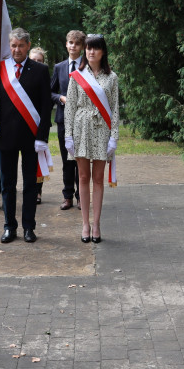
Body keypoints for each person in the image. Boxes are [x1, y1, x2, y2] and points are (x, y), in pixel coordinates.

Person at [0, 27, 52, 244]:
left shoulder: (40, 70)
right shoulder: (0, 69)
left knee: (30, 184)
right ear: (9, 47)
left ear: (28, 46)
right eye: (13, 45)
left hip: (31, 137)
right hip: (5, 137)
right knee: (7, 185)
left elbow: (45, 105)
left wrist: (42, 136)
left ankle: (29, 227)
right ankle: (9, 226)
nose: (17, 50)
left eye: (21, 45)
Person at [64, 34, 119, 243]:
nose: (91, 52)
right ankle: (85, 224)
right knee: (83, 178)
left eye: (95, 48)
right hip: (81, 129)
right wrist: (68, 135)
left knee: (98, 179)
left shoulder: (112, 78)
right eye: (88, 48)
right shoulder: (76, 76)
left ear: (103, 51)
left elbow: (114, 110)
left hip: (102, 129)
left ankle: (97, 224)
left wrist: (114, 137)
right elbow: (70, 107)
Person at [50, 30, 85, 211]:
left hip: (82, 121)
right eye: (71, 42)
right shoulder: (60, 67)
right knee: (66, 160)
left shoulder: (87, 67)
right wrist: (60, 98)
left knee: (81, 159)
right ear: (66, 44)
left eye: (77, 43)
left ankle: (81, 196)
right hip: (64, 120)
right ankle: (67, 196)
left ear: (82, 47)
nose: (73, 46)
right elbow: (50, 92)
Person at [28, 46, 50, 205]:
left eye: (39, 61)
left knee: (38, 160)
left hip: (39, 123)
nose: (36, 63)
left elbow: (46, 101)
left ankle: (37, 191)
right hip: (23, 123)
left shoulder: (43, 74)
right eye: (33, 60)